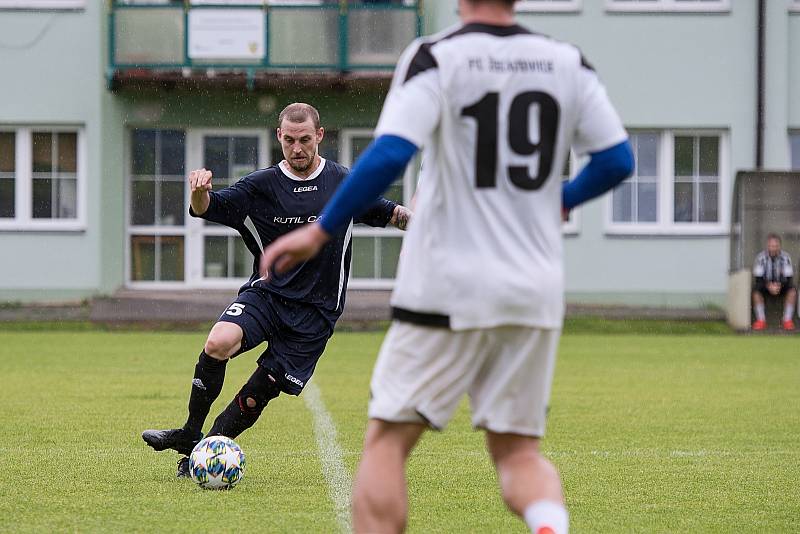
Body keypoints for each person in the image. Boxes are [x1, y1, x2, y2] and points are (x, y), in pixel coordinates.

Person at [260, 1, 634, 532]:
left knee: (388, 442)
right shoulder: (565, 60)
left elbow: (390, 154)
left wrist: (321, 229)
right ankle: (549, 523)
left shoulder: (436, 57)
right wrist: (563, 199)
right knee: (519, 454)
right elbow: (618, 159)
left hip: (448, 281)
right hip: (533, 285)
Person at [141, 103, 412, 477]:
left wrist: (423, 220)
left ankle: (200, 455)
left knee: (259, 391)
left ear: (319, 136)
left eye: (304, 139)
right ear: (279, 138)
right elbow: (208, 208)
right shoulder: (260, 186)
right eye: (289, 140)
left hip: (315, 313)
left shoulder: (343, 183)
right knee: (219, 341)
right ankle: (189, 432)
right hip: (267, 296)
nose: (297, 148)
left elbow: (390, 213)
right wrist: (198, 192)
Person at [752, 233, 796, 331]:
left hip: (781, 285)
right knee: (756, 292)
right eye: (771, 246)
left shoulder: (786, 257)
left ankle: (787, 320)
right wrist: (769, 286)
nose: (773, 248)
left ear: (779, 246)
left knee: (792, 291)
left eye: (776, 246)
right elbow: (758, 279)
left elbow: (789, 278)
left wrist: (778, 285)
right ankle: (761, 321)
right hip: (765, 285)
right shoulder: (761, 258)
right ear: (768, 246)